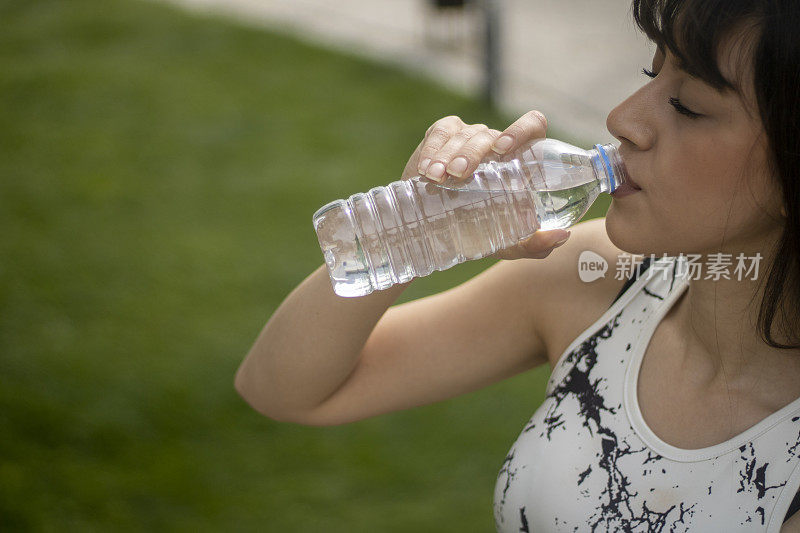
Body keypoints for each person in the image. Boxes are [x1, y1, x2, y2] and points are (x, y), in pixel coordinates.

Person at [234, 0, 800, 530]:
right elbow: (284, 390)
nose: (623, 117)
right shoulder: (602, 279)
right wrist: (418, 223)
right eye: (653, 74)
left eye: (688, 106)